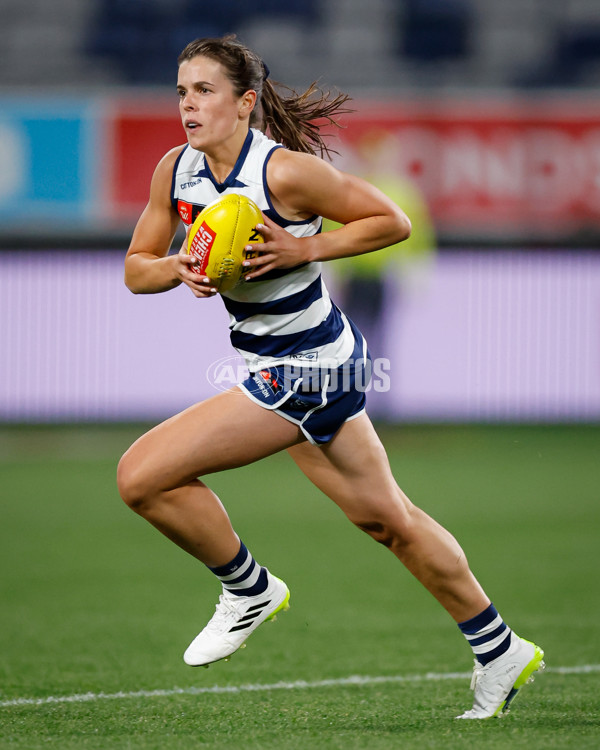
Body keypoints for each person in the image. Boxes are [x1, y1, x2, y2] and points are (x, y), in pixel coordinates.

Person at [117, 35, 544, 720]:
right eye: (180, 91)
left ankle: (248, 589)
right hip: (284, 361)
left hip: (309, 368)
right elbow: (137, 267)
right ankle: (501, 650)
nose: (187, 105)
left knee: (140, 475)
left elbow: (391, 219)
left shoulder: (283, 173)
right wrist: (177, 268)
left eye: (203, 91)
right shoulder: (176, 170)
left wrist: (304, 245)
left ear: (245, 102)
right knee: (388, 520)